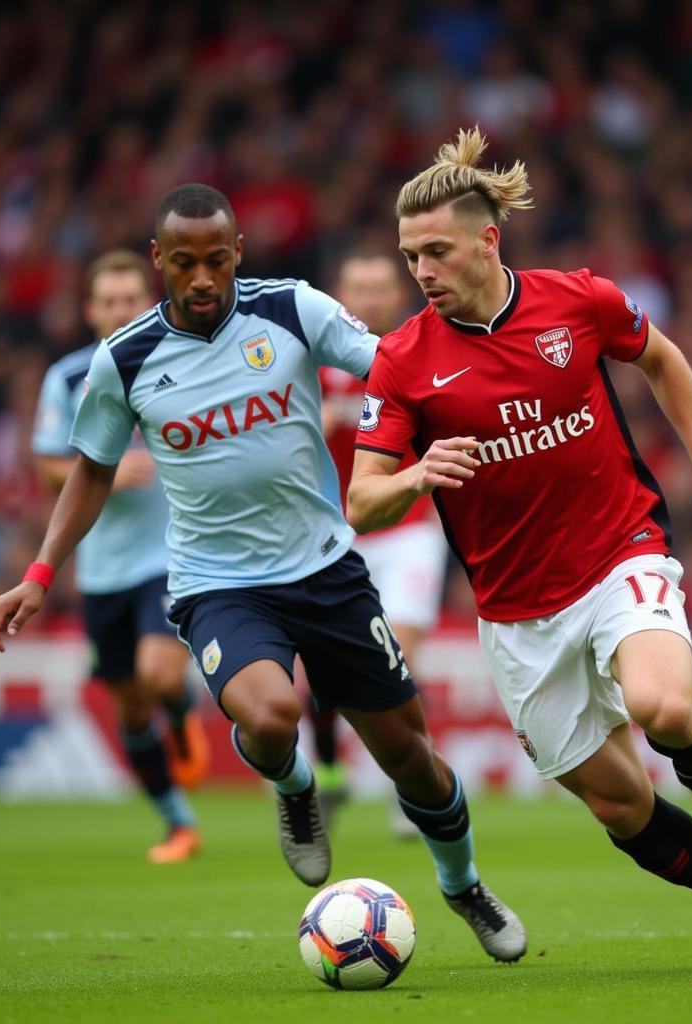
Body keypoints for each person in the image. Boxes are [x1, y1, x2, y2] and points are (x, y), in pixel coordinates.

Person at [0, 183, 526, 964]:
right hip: (217, 585)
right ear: (158, 261)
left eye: (215, 260)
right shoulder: (125, 358)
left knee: (411, 758)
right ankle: (298, 788)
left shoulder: (292, 310)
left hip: (330, 569)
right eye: (183, 263)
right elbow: (92, 470)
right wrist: (39, 572)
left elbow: (392, 370)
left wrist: (482, 396)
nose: (202, 279)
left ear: (237, 252)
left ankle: (463, 882)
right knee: (271, 717)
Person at [347, 129, 692, 972]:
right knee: (620, 808)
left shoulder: (577, 302)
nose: (422, 272)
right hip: (515, 614)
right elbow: (361, 502)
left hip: (621, 551)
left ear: (487, 239)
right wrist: (418, 477)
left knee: (663, 708)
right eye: (410, 258)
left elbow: (661, 357)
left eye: (437, 251)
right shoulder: (402, 361)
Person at [32, 249, 210, 864]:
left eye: (131, 299)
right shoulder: (67, 378)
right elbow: (52, 467)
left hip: (170, 554)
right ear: (91, 310)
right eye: (108, 302)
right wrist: (107, 466)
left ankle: (182, 708)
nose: (120, 310)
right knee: (129, 705)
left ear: (150, 299)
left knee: (159, 675)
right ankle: (178, 823)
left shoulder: (188, 360)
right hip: (101, 569)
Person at [311, 250, 448, 835]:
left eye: (378, 287)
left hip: (410, 531)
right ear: (340, 295)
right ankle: (330, 777)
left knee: (399, 658)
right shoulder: (317, 368)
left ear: (398, 295)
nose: (368, 298)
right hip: (339, 535)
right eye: (356, 287)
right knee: (321, 675)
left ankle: (412, 789)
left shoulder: (422, 357)